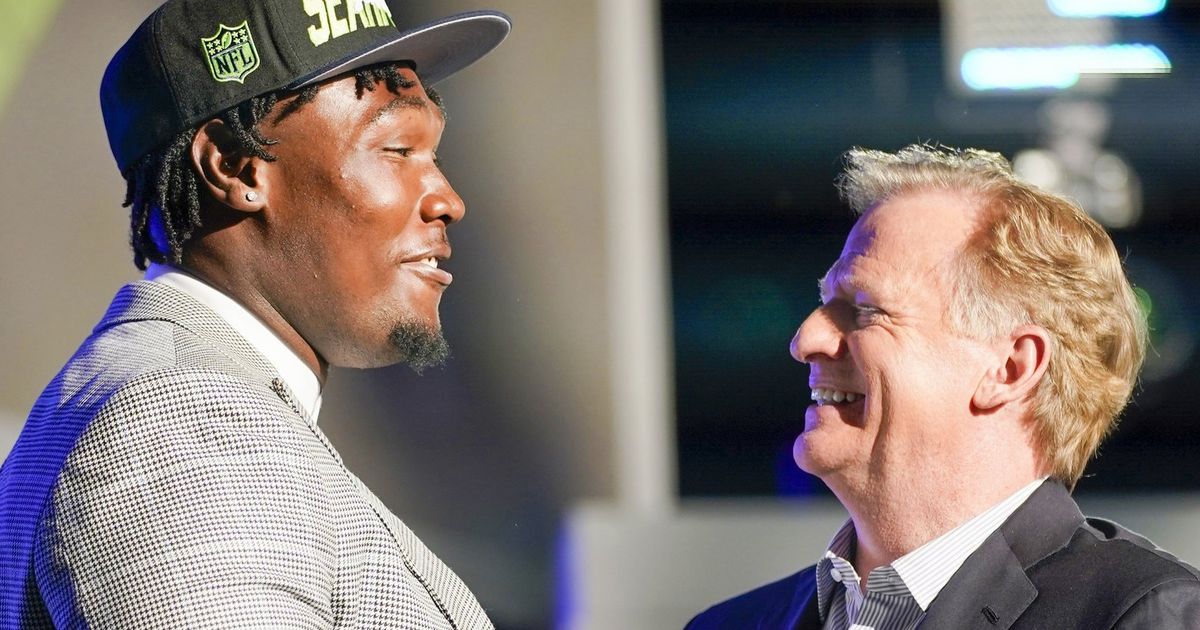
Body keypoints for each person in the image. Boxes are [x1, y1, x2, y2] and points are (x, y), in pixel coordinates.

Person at [0, 0, 510, 627]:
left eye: (434, 154)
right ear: (237, 168)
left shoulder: (189, 399)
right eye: (398, 149)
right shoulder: (181, 427)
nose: (448, 200)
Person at [687, 144, 1200, 629]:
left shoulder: (1137, 615)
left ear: (1010, 368)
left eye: (865, 308)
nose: (807, 339)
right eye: (825, 303)